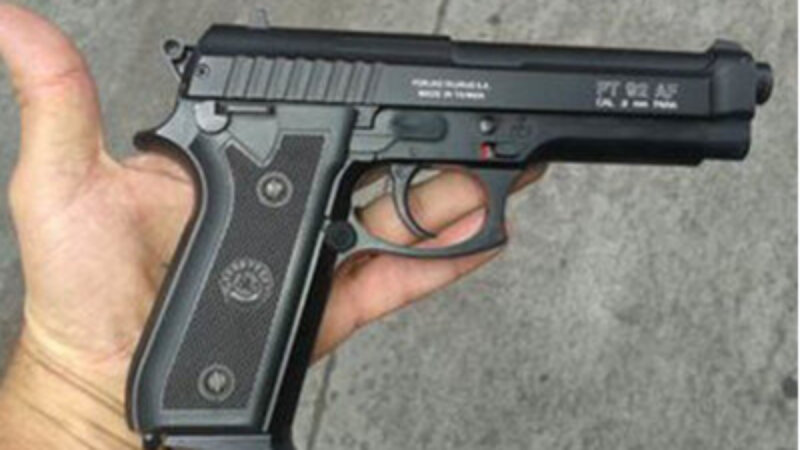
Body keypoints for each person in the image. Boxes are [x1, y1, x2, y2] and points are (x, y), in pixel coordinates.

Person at [0, 5, 545, 449]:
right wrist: (75, 404)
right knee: (264, 234)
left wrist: (73, 414)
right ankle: (208, 415)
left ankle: (206, 412)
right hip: (286, 126)